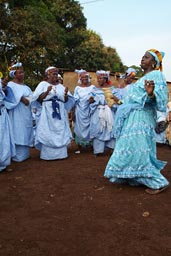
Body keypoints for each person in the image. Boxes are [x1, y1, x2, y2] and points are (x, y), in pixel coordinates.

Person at [104, 49, 169, 195]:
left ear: (154, 62)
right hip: (132, 117)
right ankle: (135, 177)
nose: (142, 59)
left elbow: (161, 100)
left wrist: (151, 93)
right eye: (142, 56)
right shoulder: (140, 79)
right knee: (128, 147)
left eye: (146, 57)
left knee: (140, 150)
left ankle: (158, 182)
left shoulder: (156, 75)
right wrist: (118, 102)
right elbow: (130, 100)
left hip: (142, 118)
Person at [32, 66, 75, 160]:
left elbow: (66, 100)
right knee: (47, 130)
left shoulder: (60, 86)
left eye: (56, 74)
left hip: (60, 112)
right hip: (47, 112)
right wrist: (47, 91)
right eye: (53, 74)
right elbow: (38, 99)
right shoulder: (42, 84)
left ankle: (61, 154)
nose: (56, 76)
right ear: (48, 75)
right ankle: (48, 155)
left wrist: (66, 95)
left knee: (60, 130)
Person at [89, 70, 123, 156]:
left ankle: (111, 148)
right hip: (98, 113)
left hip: (110, 112)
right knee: (98, 129)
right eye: (98, 78)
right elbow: (91, 100)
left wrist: (111, 102)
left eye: (100, 78)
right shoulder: (94, 89)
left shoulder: (113, 89)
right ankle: (98, 151)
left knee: (110, 128)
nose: (98, 80)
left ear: (105, 79)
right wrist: (92, 101)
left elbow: (117, 101)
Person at [7, 63, 34, 162]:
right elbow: (11, 97)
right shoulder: (10, 85)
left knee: (26, 129)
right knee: (17, 129)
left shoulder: (26, 87)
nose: (22, 74)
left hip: (26, 112)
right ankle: (16, 155)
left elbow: (31, 97)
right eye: (20, 72)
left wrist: (28, 100)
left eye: (23, 72)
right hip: (16, 111)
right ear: (14, 74)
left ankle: (25, 155)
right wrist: (21, 98)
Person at [73, 69, 96, 152]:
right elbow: (74, 101)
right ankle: (80, 146)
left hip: (89, 111)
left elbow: (95, 98)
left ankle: (91, 145)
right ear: (80, 78)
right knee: (79, 128)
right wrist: (73, 113)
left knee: (90, 127)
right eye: (83, 77)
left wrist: (92, 100)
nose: (85, 79)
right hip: (79, 111)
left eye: (86, 77)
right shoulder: (77, 88)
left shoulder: (93, 87)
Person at [0, 76, 16, 172]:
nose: (5, 82)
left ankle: (3, 163)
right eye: (3, 80)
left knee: (4, 138)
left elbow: (9, 99)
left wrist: (5, 90)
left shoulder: (5, 88)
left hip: (2, 113)